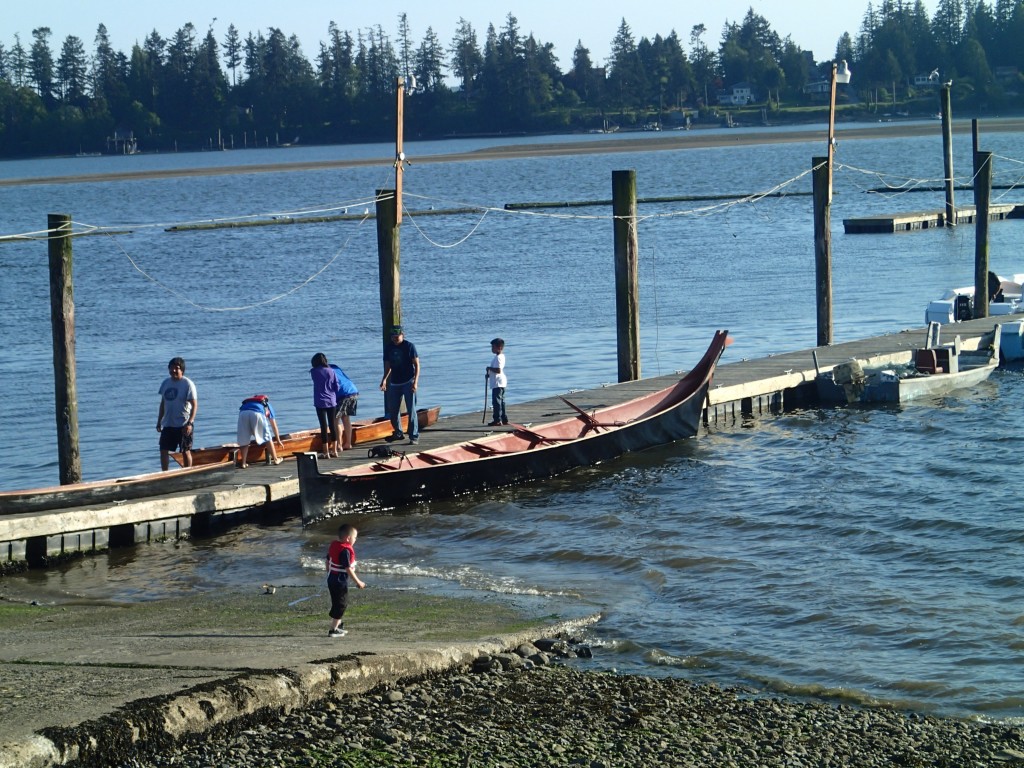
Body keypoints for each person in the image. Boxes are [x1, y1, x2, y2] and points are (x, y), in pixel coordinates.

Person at [379, 325, 420, 445]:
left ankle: (414, 436)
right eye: (393, 337)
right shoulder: (388, 348)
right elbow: (388, 366)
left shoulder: (409, 346)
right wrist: (384, 380)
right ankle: (398, 432)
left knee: (411, 409)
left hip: (409, 381)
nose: (395, 339)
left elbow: (417, 365)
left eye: (397, 336)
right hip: (394, 383)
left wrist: (415, 382)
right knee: (393, 410)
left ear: (402, 335)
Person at [157, 357, 198, 471]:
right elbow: (163, 404)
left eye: (177, 368)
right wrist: (159, 421)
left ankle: (187, 472)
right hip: (168, 423)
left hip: (183, 423)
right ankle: (165, 474)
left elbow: (195, 405)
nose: (174, 370)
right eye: (171, 368)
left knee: (185, 451)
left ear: (182, 370)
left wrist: (190, 423)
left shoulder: (188, 384)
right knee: (163, 450)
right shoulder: (165, 383)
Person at [325, 523, 366, 638]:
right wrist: (358, 582)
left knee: (338, 601)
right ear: (348, 538)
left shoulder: (335, 545)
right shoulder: (345, 551)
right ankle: (333, 630)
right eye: (355, 537)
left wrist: (328, 572)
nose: (356, 539)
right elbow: (348, 568)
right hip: (339, 580)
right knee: (341, 604)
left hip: (332, 578)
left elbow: (328, 559)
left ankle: (338, 625)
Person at [236, 395, 284, 468]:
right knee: (267, 437)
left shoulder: (247, 404)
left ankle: (243, 463)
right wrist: (278, 440)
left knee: (244, 439)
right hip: (257, 414)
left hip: (243, 414)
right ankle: (276, 459)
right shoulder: (266, 405)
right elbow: (274, 426)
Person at [310, 353, 340, 458]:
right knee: (332, 425)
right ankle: (335, 451)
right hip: (331, 401)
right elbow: (337, 387)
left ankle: (326, 452)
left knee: (323, 426)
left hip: (319, 402)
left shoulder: (313, 372)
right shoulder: (332, 371)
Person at [330, 363, 360, 451]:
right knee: (345, 418)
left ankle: (339, 445)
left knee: (335, 419)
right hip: (353, 390)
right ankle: (348, 443)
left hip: (343, 393)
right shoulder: (334, 367)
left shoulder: (324, 371)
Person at [487, 337, 509, 426]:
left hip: (498, 383)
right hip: (499, 382)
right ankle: (504, 419)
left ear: (499, 347)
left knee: (496, 402)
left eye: (493, 347)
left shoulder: (499, 358)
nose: (492, 349)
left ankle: (497, 420)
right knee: (501, 401)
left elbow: (498, 370)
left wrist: (489, 368)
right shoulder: (499, 357)